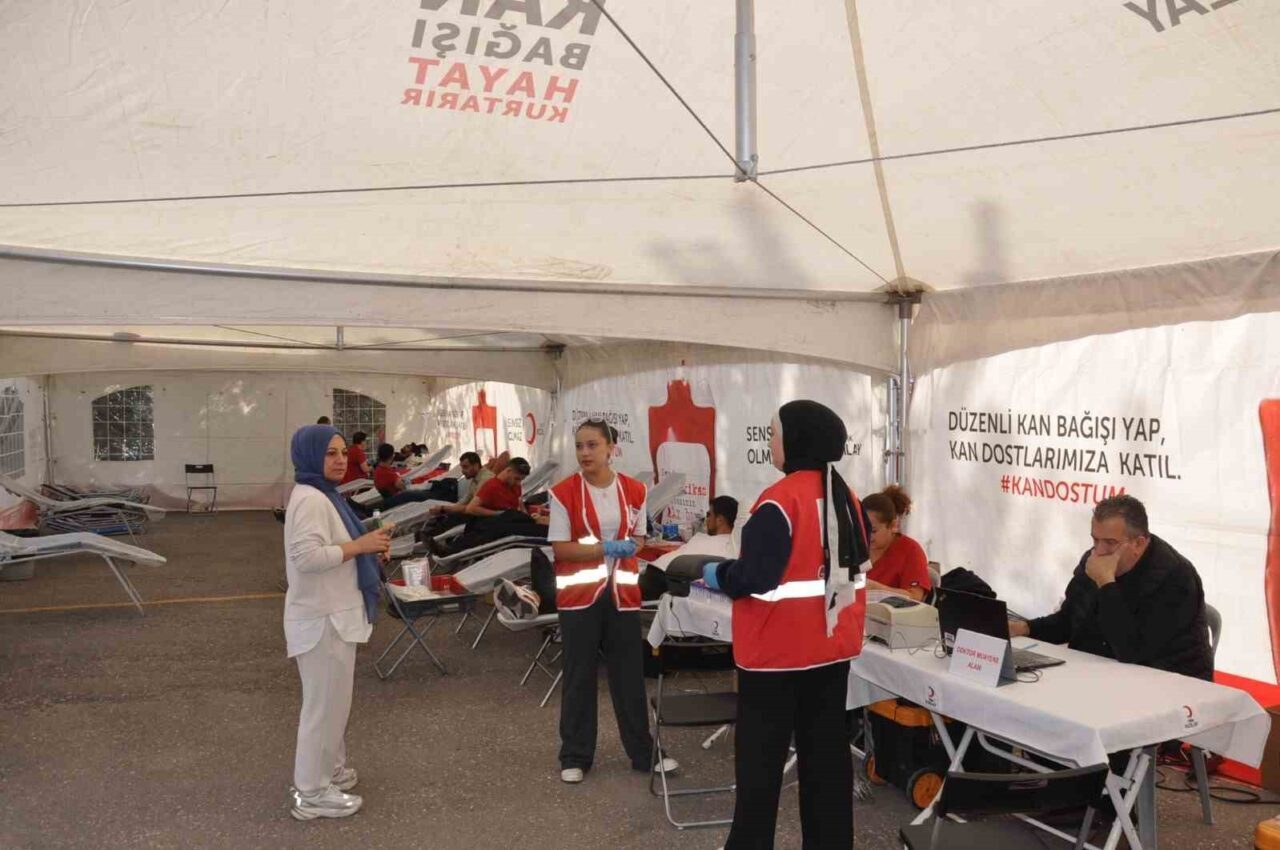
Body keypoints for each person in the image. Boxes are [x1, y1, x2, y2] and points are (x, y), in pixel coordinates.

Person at [702, 400, 869, 850]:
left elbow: (754, 578)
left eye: (773, 433)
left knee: (759, 772)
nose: (770, 442)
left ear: (795, 440)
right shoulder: (847, 498)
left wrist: (718, 574)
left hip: (774, 659)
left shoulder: (779, 500)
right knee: (827, 765)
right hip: (830, 652)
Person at [549, 419, 678, 784]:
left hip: (622, 596)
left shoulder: (635, 490)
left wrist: (629, 546)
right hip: (579, 597)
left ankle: (644, 753)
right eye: (579, 446)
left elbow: (638, 538)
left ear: (611, 448)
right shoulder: (562, 493)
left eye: (592, 445)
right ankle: (574, 755)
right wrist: (604, 548)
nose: (584, 453)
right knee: (579, 676)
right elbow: (561, 548)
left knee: (629, 677)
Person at [283, 424, 392, 821]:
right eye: (330, 453)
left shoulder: (324, 495)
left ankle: (329, 771)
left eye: (344, 452)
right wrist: (360, 545)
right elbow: (307, 558)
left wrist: (368, 545)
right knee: (324, 709)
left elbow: (335, 546)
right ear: (310, 455)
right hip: (323, 620)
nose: (341, 460)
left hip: (331, 616)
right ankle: (311, 793)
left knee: (333, 706)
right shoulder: (312, 499)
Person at [1009, 495, 1213, 681]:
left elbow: (1130, 651)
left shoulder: (1175, 577)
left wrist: (1106, 582)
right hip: (1100, 675)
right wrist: (1024, 628)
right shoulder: (1093, 559)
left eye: (1110, 542)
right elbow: (1069, 621)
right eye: (1095, 539)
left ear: (1138, 544)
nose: (1099, 550)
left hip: (1168, 684)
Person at [862, 485, 931, 601]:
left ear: (893, 526)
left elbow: (915, 596)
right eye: (862, 529)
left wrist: (876, 588)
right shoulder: (855, 548)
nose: (867, 536)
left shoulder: (910, 551)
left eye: (873, 531)